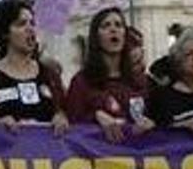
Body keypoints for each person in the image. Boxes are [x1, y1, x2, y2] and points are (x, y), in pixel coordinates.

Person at [0, 0, 68, 133]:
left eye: (32, 23)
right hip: (5, 152)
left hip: (46, 152)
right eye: (21, 24)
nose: (30, 29)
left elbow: (66, 111)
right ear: (4, 33)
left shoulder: (50, 74)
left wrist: (61, 116)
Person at [64, 7, 152, 141]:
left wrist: (151, 123)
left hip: (140, 157)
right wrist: (96, 116)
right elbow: (72, 125)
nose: (113, 29)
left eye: (119, 25)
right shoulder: (81, 81)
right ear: (96, 37)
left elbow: (162, 120)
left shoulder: (143, 81)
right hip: (97, 158)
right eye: (106, 26)